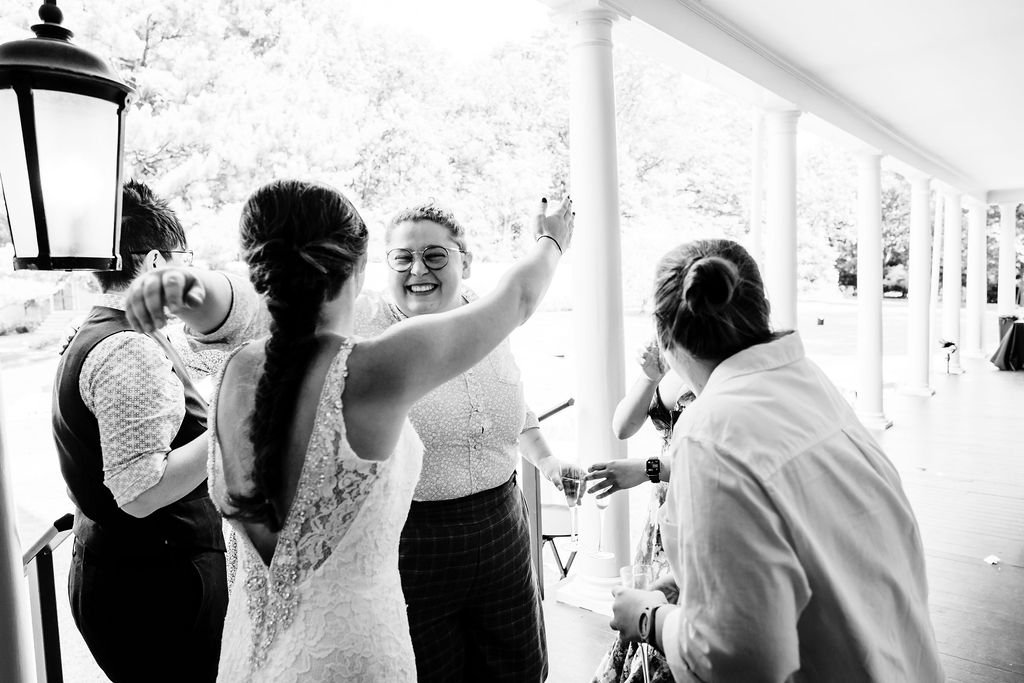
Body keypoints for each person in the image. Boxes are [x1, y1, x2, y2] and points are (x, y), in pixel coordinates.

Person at [124, 180, 572, 682]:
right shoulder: (378, 366)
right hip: (356, 652)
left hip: (255, 655)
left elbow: (231, 309)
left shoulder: (238, 373)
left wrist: (185, 288)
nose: (418, 269)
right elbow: (519, 298)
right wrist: (551, 240)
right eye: (402, 258)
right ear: (361, 269)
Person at [609, 239, 943, 681]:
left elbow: (738, 659)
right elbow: (812, 534)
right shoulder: (807, 382)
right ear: (761, 308)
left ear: (663, 335)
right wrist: (698, 578)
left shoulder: (710, 431)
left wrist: (649, 618)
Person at [355, 202, 573, 682]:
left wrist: (548, 460)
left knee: (520, 668)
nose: (418, 270)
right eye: (402, 258)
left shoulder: (486, 316)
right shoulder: (364, 324)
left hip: (502, 528)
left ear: (465, 262)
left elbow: (513, 405)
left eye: (434, 255)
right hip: (412, 541)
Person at [51, 180, 230, 682]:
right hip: (156, 590)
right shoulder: (129, 349)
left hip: (125, 572)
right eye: (184, 261)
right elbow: (140, 492)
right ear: (154, 262)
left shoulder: (104, 329)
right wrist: (233, 423)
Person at [588, 339, 694, 683]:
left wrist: (646, 468)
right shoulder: (669, 358)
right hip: (663, 502)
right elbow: (622, 427)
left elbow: (714, 457)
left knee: (679, 604)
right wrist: (650, 377)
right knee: (651, 592)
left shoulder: (715, 363)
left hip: (697, 498)